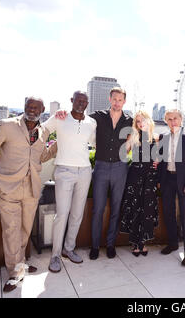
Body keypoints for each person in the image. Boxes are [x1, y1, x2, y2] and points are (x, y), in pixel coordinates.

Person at [0, 97, 57, 292]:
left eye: (36, 107)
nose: (32, 109)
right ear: (24, 107)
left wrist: (55, 146)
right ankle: (14, 273)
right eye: (29, 106)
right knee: (12, 230)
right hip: (7, 187)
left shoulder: (44, 131)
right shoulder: (7, 126)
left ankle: (20, 264)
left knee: (24, 229)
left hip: (31, 188)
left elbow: (41, 156)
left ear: (42, 109)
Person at [55, 87, 133, 259]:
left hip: (120, 168)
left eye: (120, 100)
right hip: (101, 167)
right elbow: (78, 116)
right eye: (114, 99)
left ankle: (111, 244)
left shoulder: (129, 120)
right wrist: (62, 112)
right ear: (110, 99)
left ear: (124, 101)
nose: (117, 102)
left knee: (115, 208)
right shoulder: (97, 117)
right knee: (98, 209)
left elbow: (142, 133)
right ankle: (95, 246)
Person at [43, 91, 97, 273]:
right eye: (78, 100)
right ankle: (55, 256)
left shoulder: (91, 123)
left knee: (77, 214)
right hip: (64, 170)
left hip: (84, 171)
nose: (81, 103)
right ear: (72, 101)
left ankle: (69, 249)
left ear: (87, 103)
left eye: (84, 101)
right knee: (62, 214)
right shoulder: (60, 117)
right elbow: (42, 130)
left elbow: (98, 143)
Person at [157, 109, 185, 267]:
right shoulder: (164, 137)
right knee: (168, 212)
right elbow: (161, 161)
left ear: (181, 119)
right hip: (167, 178)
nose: (172, 121)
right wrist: (160, 180)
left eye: (175, 118)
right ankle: (173, 243)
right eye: (169, 119)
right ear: (166, 121)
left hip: (183, 181)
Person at [120, 111, 160, 257]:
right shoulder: (133, 137)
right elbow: (123, 153)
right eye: (137, 121)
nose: (140, 123)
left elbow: (160, 158)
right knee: (135, 208)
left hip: (150, 177)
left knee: (147, 210)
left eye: (143, 120)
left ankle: (142, 242)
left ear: (149, 120)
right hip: (135, 176)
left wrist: (158, 161)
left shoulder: (156, 138)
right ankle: (135, 244)